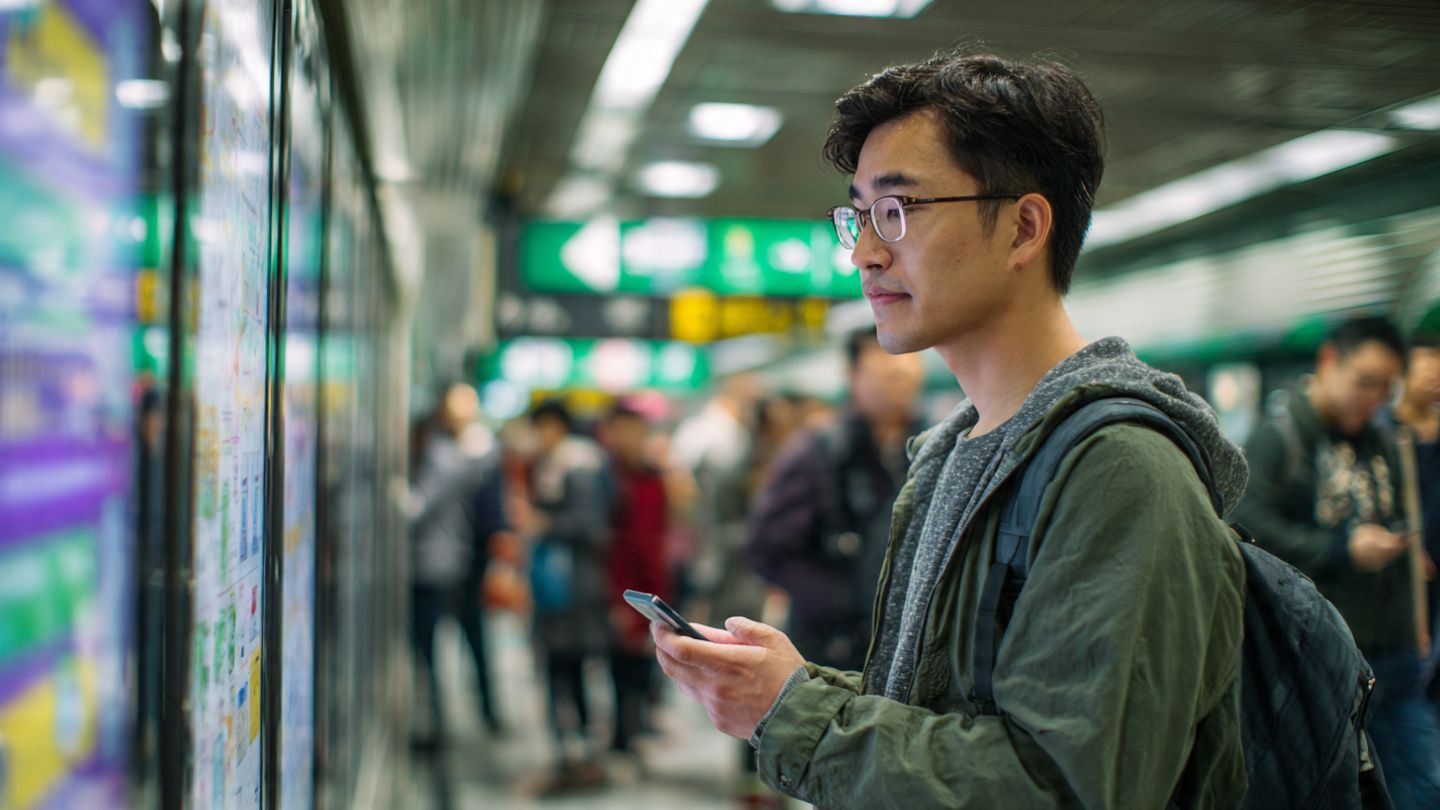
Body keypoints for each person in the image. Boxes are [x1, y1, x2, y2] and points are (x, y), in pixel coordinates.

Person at [648, 50, 1249, 808]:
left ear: (1024, 229)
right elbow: (948, 708)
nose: (866, 251)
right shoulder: (955, 450)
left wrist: (796, 715)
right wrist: (797, 688)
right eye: (858, 215)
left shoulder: (1120, 469)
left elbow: (1066, 786)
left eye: (898, 211)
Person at [1236, 317, 1440, 809]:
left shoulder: (1385, 443)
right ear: (1329, 362)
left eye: (1386, 388)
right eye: (1365, 382)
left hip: (1394, 656)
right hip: (1320, 659)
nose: (1374, 398)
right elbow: (1246, 529)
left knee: (1425, 787)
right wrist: (1339, 549)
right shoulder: (1279, 439)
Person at [747, 328, 923, 671]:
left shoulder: (931, 447)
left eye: (909, 362)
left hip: (905, 649)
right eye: (886, 365)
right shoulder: (818, 453)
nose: (901, 373)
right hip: (832, 650)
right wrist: (842, 599)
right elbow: (766, 548)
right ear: (852, 375)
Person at [519, 399, 612, 787]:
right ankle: (574, 751)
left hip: (571, 591)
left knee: (566, 669)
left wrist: (546, 523)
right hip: (560, 588)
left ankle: (579, 753)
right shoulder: (561, 464)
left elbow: (591, 526)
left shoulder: (576, 465)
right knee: (564, 670)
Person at [405, 382, 500, 748]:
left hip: (452, 561)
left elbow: (420, 507)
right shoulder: (459, 451)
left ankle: (469, 714)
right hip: (456, 558)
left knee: (457, 640)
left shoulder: (460, 452)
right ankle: (453, 715)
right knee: (445, 643)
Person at [598, 404, 670, 758]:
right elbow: (609, 543)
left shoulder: (653, 479)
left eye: (636, 430)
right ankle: (621, 734)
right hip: (617, 588)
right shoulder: (605, 479)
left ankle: (636, 724)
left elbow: (658, 537)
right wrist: (614, 597)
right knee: (618, 663)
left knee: (644, 660)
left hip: (652, 586)